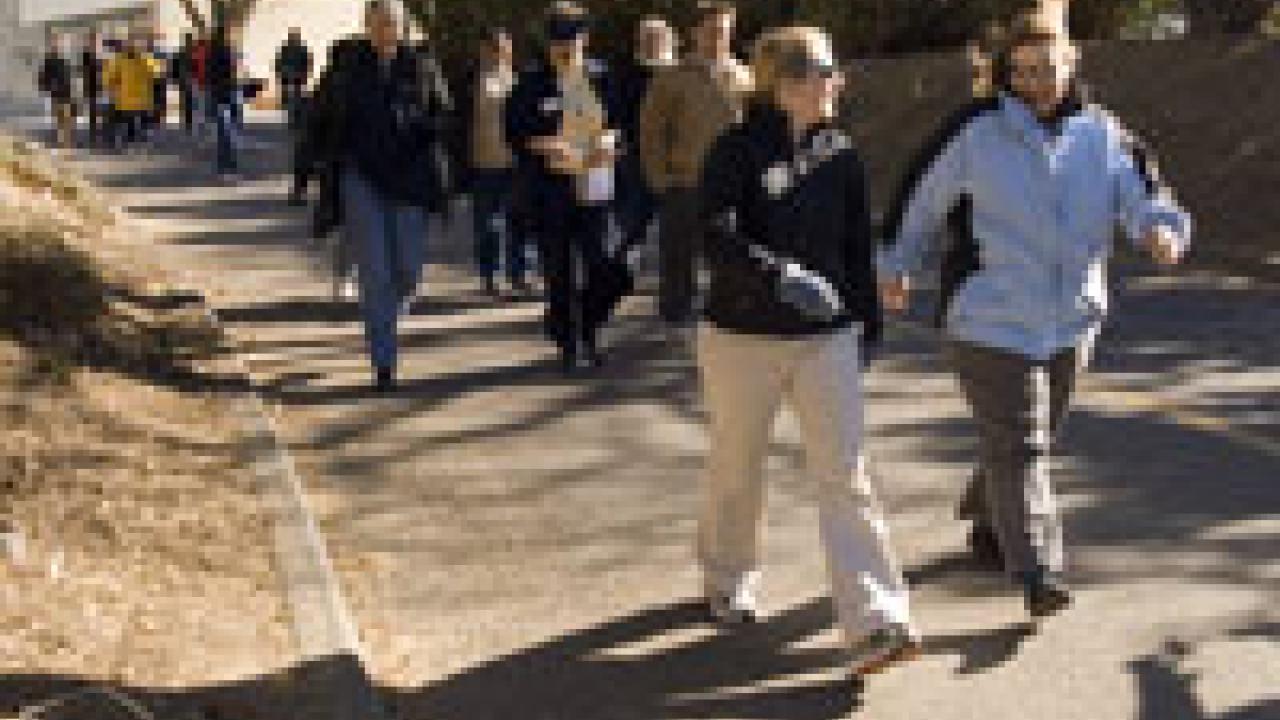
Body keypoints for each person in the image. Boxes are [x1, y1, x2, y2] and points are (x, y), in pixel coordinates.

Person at [878, 10, 1191, 619]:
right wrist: (895, 264)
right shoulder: (976, 132)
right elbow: (919, 201)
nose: (1038, 83)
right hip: (989, 318)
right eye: (1023, 73)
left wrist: (1160, 232)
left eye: (1048, 69)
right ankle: (1038, 571)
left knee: (1023, 440)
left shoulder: (1103, 134)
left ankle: (989, 517)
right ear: (1007, 76)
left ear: (1072, 65)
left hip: (1072, 320)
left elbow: (1146, 196)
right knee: (1021, 445)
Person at [696, 25, 919, 676]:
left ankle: (876, 620)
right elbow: (712, 235)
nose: (837, 83)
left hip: (825, 341)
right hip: (741, 338)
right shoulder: (734, 151)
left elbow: (856, 245)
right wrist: (778, 275)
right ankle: (727, 577)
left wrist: (867, 324)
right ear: (788, 84)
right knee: (737, 468)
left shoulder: (843, 156)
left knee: (846, 478)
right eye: (826, 72)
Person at [314, 1, 449, 391]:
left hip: (410, 178)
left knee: (407, 269)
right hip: (361, 178)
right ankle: (384, 364)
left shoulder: (422, 64)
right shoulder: (347, 66)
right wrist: (317, 165)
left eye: (392, 23)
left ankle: (395, 303)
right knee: (375, 273)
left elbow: (444, 113)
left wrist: (426, 127)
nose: (386, 29)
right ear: (367, 26)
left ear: (403, 27)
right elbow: (321, 116)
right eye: (378, 23)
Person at [505, 2, 622, 373]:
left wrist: (611, 141)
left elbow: (622, 124)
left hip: (594, 184)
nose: (564, 48)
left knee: (604, 265)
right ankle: (569, 342)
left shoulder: (601, 78)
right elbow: (516, 133)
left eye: (571, 39)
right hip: (549, 190)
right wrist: (545, 144)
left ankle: (588, 327)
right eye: (557, 40)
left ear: (584, 39)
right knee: (559, 271)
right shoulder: (532, 81)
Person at [640, 1, 752, 327]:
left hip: (732, 187)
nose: (719, 37)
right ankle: (675, 319)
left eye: (725, 31)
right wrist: (659, 179)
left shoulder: (745, 75)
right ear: (694, 32)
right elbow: (651, 131)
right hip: (684, 183)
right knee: (678, 261)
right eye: (713, 30)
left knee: (731, 257)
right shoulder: (672, 78)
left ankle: (727, 316)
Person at [466, 28, 529, 297]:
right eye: (494, 47)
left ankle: (518, 275)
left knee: (518, 222)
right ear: (483, 50)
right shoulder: (471, 81)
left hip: (515, 163)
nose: (500, 53)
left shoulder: (518, 80)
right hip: (483, 164)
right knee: (488, 225)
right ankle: (490, 277)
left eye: (504, 47)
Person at [613, 16, 676, 261]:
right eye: (647, 39)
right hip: (638, 156)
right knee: (635, 217)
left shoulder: (679, 73)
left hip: (675, 157)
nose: (653, 44)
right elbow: (619, 113)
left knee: (676, 216)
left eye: (658, 39)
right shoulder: (627, 74)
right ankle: (623, 265)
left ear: (669, 41)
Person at [101, 36, 156, 150]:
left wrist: (111, 89)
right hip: (140, 98)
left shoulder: (119, 60)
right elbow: (153, 74)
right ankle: (138, 139)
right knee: (137, 121)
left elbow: (109, 79)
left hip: (125, 99)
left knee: (126, 121)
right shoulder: (144, 59)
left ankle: (127, 140)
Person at [207, 26, 240, 176]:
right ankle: (228, 160)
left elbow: (210, 75)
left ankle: (224, 160)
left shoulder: (212, 53)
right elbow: (231, 72)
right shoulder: (226, 52)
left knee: (223, 129)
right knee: (228, 128)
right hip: (227, 92)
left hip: (218, 93)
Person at [38, 32, 76, 149]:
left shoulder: (67, 59)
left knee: (68, 121)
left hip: (68, 94)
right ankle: (62, 144)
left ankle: (67, 144)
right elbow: (42, 79)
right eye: (55, 42)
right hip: (56, 95)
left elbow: (72, 77)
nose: (57, 45)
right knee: (60, 121)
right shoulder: (49, 61)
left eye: (59, 42)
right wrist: (49, 89)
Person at [275, 27, 313, 133]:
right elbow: (307, 62)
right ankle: (294, 119)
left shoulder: (287, 48)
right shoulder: (299, 48)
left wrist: (279, 74)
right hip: (293, 76)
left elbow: (278, 62)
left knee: (293, 97)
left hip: (291, 76)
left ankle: (293, 119)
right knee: (294, 97)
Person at [80, 31, 104, 147]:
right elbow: (84, 72)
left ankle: (100, 134)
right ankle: (94, 136)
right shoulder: (86, 56)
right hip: (91, 88)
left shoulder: (103, 55)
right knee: (93, 113)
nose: (95, 43)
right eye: (93, 40)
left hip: (102, 88)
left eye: (97, 40)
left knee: (102, 112)